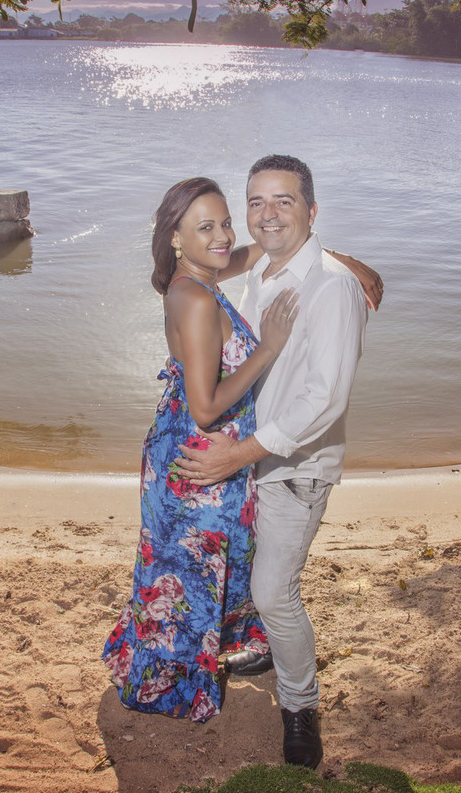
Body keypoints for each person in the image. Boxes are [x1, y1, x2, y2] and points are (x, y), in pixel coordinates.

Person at [176, 155, 372, 768]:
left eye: (283, 201)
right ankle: (267, 648)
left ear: (311, 210)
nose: (266, 215)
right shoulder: (264, 267)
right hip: (252, 456)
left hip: (294, 464)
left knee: (274, 591)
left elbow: (325, 398)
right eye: (256, 203)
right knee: (253, 572)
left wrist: (239, 453)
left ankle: (300, 705)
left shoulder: (332, 288)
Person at [101, 177, 300, 722]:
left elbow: (256, 248)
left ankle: (195, 656)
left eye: (224, 222)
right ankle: (170, 683)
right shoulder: (193, 299)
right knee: (191, 575)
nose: (222, 236)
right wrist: (269, 349)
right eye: (205, 227)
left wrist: (336, 260)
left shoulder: (199, 276)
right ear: (174, 238)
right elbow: (207, 406)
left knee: (196, 568)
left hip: (189, 452)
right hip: (198, 461)